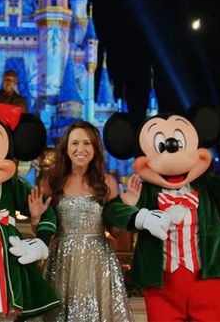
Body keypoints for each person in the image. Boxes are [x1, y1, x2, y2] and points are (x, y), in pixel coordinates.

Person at [28, 121, 143, 322]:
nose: (80, 149)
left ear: (95, 148)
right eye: (75, 143)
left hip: (97, 263)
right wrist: (36, 217)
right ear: (66, 148)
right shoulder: (51, 181)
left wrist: (129, 207)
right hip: (61, 262)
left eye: (87, 143)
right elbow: (43, 231)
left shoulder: (106, 181)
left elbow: (114, 232)